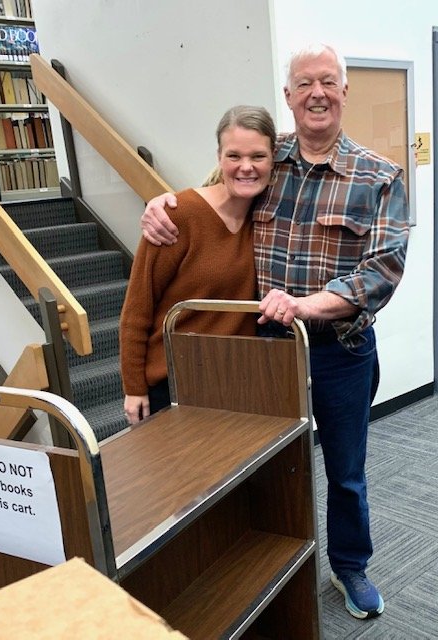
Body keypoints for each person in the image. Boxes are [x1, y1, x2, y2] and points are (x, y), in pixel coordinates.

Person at [139, 43, 409, 620]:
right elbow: (215, 193)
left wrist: (306, 306)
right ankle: (261, 565)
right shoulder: (266, 157)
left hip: (341, 351)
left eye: (328, 82)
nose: (317, 93)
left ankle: (350, 567)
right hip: (262, 351)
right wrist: (162, 205)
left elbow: (381, 273)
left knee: (347, 470)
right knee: (259, 465)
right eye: (304, 83)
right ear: (287, 95)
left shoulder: (380, 176)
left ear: (344, 91)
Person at [119, 105, 276, 424]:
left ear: (273, 158)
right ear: (219, 156)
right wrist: (134, 388)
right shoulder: (177, 216)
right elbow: (137, 309)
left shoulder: (267, 216)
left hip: (237, 381)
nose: (246, 167)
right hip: (174, 384)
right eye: (234, 156)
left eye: (257, 156)